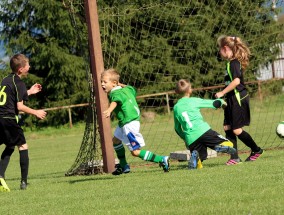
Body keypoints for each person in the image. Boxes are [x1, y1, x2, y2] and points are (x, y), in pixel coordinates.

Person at [101, 68, 169, 175]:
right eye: (101, 82)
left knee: (135, 152)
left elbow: (115, 101)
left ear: (114, 83)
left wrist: (109, 110)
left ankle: (161, 159)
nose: (102, 84)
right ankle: (124, 165)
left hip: (129, 124)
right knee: (115, 141)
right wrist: (119, 84)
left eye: (105, 82)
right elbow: (131, 88)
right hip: (125, 122)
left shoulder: (115, 93)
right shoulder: (127, 90)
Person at [0, 54, 47, 192]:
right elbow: (19, 107)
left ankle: (1, 175)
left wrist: (30, 92)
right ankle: (23, 183)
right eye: (27, 65)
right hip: (8, 119)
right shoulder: (19, 82)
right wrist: (36, 112)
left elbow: (12, 97)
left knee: (10, 145)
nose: (30, 67)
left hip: (0, 118)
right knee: (22, 146)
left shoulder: (6, 80)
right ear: (21, 69)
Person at [215, 35, 264, 165]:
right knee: (227, 127)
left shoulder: (234, 63)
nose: (219, 52)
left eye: (219, 49)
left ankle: (256, 150)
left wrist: (222, 92)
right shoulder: (229, 63)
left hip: (238, 98)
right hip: (230, 99)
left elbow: (236, 81)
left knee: (236, 129)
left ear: (225, 48)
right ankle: (234, 157)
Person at [173, 79, 236, 169]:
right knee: (230, 145)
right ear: (189, 90)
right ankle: (220, 146)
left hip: (191, 138)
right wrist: (222, 102)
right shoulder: (194, 101)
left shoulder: (176, 108)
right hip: (204, 131)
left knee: (199, 161)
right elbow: (213, 103)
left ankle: (197, 159)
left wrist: (185, 139)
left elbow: (177, 128)